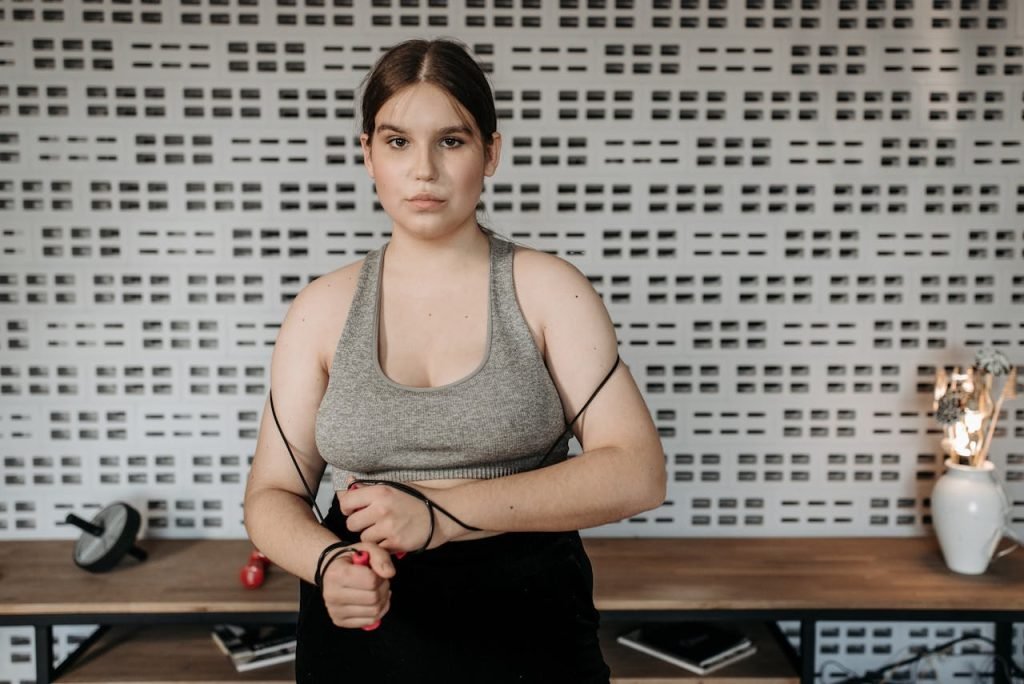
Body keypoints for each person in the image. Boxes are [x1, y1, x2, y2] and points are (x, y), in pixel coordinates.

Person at [243, 37, 666, 683]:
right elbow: (273, 493)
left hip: (531, 635)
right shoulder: (320, 309)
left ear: (490, 152)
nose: (424, 171)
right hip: (364, 635)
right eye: (397, 141)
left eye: (452, 140)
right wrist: (328, 565)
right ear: (367, 155)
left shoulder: (550, 289)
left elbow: (637, 472)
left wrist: (439, 513)